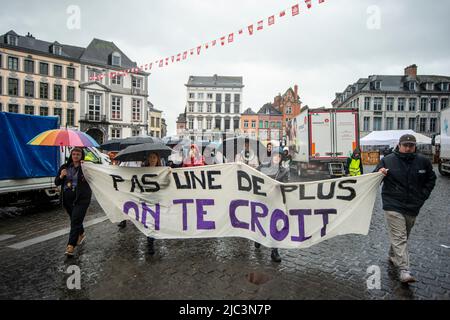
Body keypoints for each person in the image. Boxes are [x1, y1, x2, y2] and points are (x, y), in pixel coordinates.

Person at [375, 134, 436, 283]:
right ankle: (404, 270)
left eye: (411, 145)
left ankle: (393, 254)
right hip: (392, 204)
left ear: (415, 146)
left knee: (404, 234)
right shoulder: (387, 160)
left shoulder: (423, 161)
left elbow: (431, 179)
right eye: (405, 145)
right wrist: (379, 174)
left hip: (413, 205)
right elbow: (373, 178)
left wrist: (422, 197)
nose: (408, 148)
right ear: (399, 145)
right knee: (400, 236)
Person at [55, 148, 92, 256]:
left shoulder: (85, 167)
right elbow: (57, 182)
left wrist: (87, 175)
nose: (75, 156)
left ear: (82, 155)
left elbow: (93, 179)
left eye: (78, 154)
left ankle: (71, 246)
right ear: (71, 155)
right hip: (67, 199)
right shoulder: (64, 167)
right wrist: (61, 175)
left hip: (81, 199)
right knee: (75, 219)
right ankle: (81, 233)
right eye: (74, 154)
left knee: (75, 221)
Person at [254, 153, 289, 263]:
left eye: (279, 157)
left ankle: (274, 251)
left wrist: (281, 187)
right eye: (275, 156)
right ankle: (259, 238)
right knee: (262, 221)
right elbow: (252, 174)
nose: (276, 158)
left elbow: (287, 185)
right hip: (263, 200)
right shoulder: (263, 167)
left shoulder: (284, 171)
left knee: (275, 225)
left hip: (276, 201)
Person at [141, 152, 163, 255]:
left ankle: (151, 239)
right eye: (151, 157)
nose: (152, 159)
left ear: (157, 159)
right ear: (148, 159)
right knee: (149, 221)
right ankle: (150, 243)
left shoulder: (162, 170)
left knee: (155, 221)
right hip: (147, 199)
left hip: (157, 199)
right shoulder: (143, 170)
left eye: (154, 157)